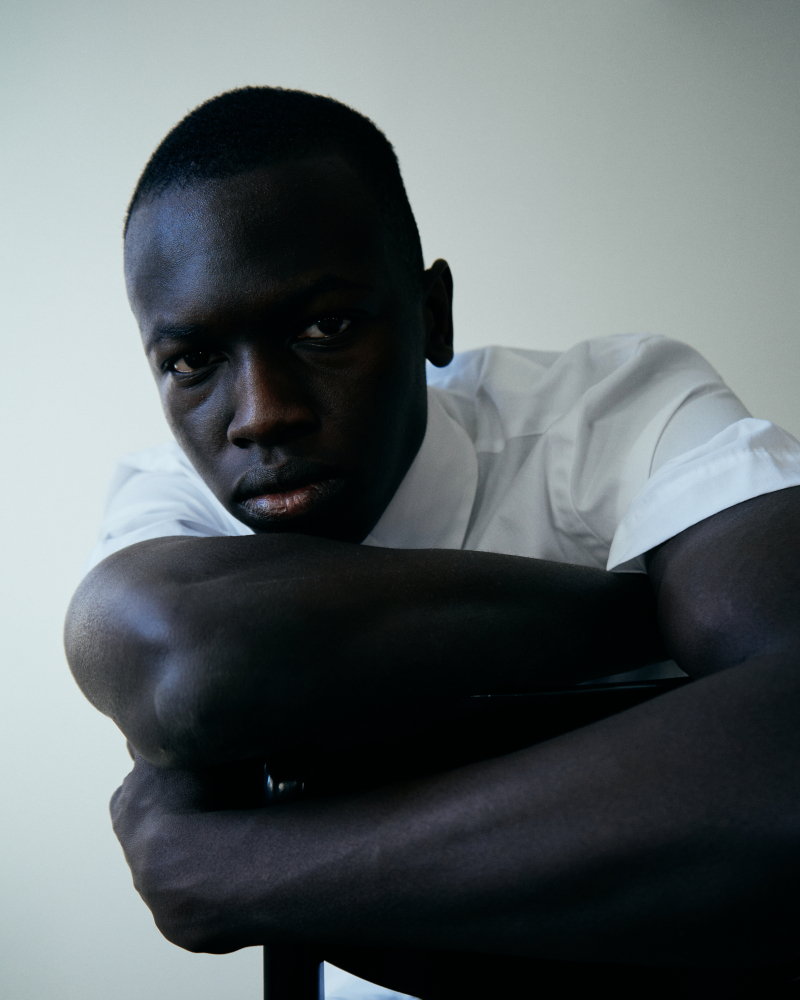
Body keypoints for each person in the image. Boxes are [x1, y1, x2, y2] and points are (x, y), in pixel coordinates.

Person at [64, 87, 800, 999]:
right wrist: (655, 614)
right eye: (192, 362)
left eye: (324, 327)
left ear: (432, 314)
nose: (261, 414)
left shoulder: (621, 410)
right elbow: (192, 662)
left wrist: (246, 876)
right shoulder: (170, 498)